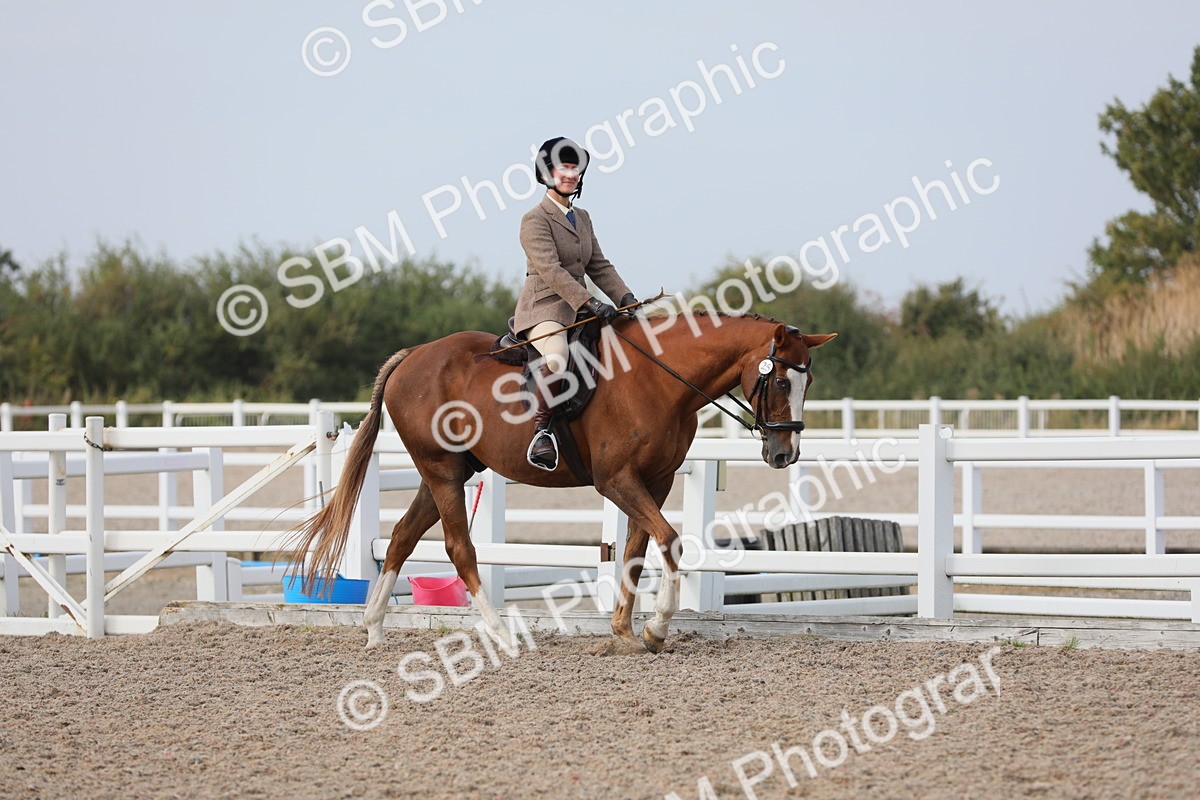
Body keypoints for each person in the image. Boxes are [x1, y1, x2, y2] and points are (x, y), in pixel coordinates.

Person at [513, 136, 637, 471]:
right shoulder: (534, 219)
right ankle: (541, 433)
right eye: (563, 167)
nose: (571, 174)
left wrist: (625, 298)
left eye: (575, 168)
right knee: (557, 356)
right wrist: (590, 302)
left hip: (580, 310)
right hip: (545, 309)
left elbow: (598, 264)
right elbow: (550, 271)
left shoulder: (582, 216)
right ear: (547, 173)